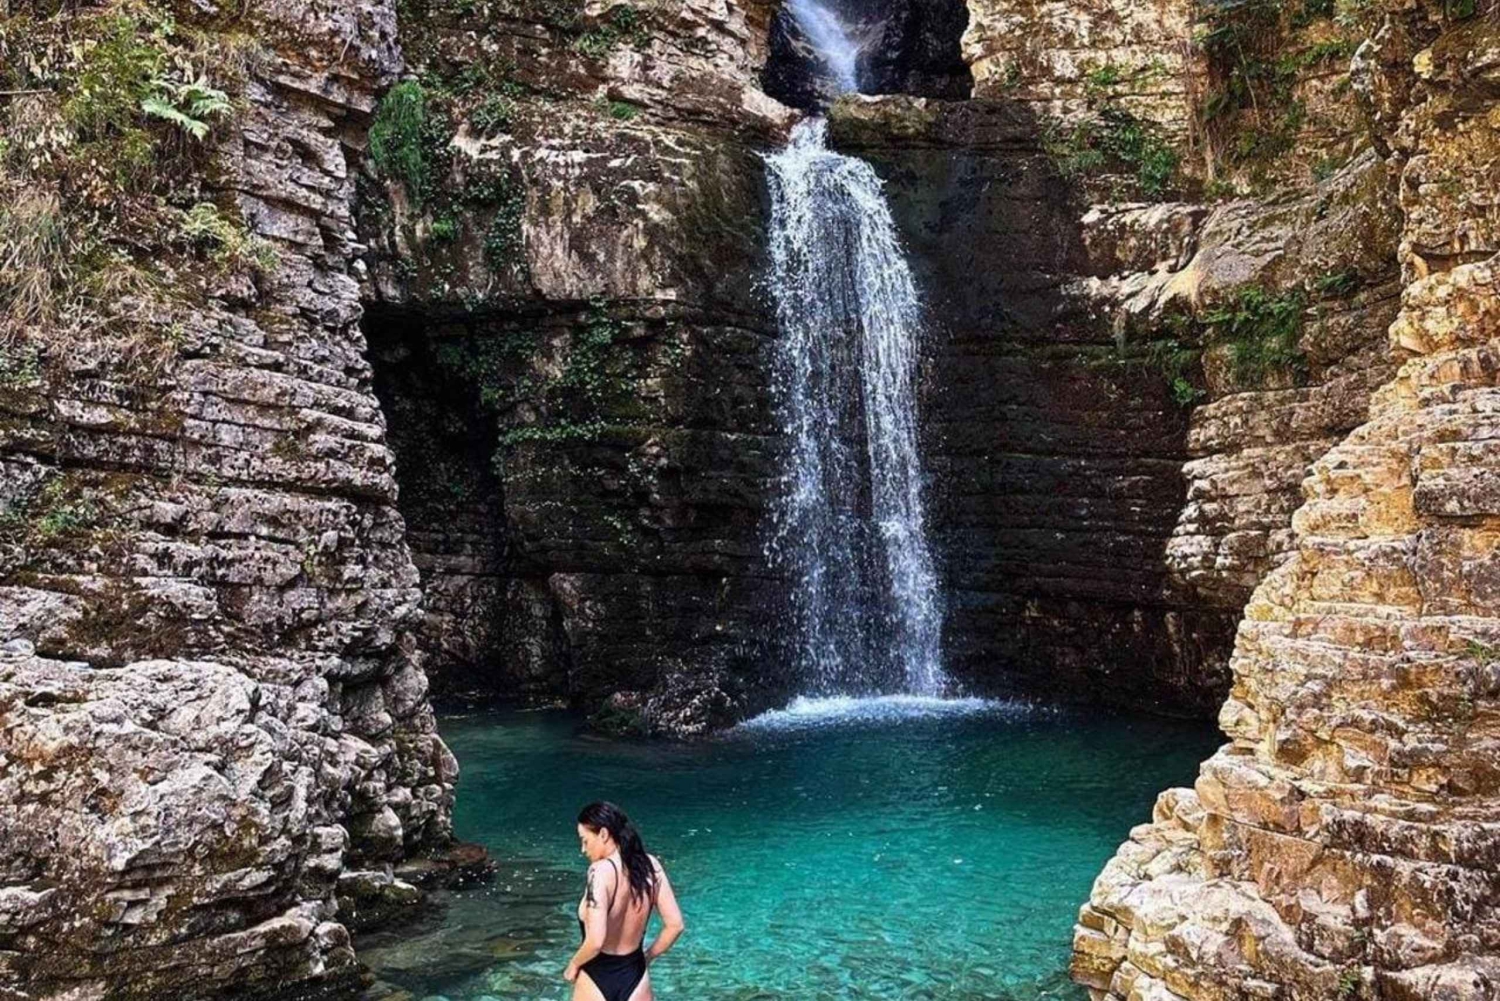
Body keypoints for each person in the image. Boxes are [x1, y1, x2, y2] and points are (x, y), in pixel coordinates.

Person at [564, 802, 685, 1001]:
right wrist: (648, 957)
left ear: (603, 834)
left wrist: (574, 965)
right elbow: (675, 926)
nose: (582, 849)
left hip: (596, 975)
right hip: (635, 976)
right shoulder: (650, 865)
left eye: (585, 840)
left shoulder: (600, 871)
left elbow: (595, 941)